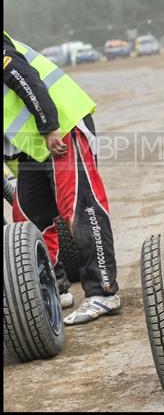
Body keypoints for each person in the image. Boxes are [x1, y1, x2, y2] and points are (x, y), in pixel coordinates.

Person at [3, 29, 121, 324]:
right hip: (31, 144)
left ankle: (103, 293)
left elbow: (24, 78)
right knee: (26, 219)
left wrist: (49, 125)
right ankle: (53, 288)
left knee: (79, 208)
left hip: (59, 126)